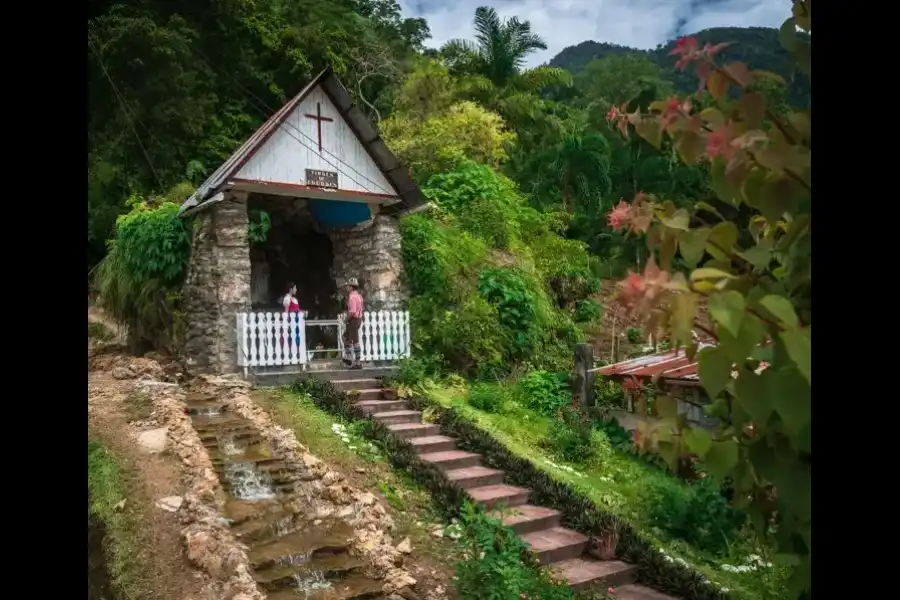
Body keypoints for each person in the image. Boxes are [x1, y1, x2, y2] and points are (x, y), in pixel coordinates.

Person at [342, 277, 364, 369]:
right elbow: (362, 308)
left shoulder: (352, 297)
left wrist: (346, 319)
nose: (346, 287)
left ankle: (358, 363)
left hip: (353, 320)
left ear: (351, 287)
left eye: (348, 286)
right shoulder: (359, 296)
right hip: (358, 319)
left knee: (355, 341)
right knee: (345, 337)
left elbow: (352, 312)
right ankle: (349, 358)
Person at [282, 282, 302, 349]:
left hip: (297, 322)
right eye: (295, 288)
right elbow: (287, 311)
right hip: (292, 322)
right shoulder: (287, 299)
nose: (296, 290)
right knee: (292, 339)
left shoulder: (294, 299)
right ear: (291, 289)